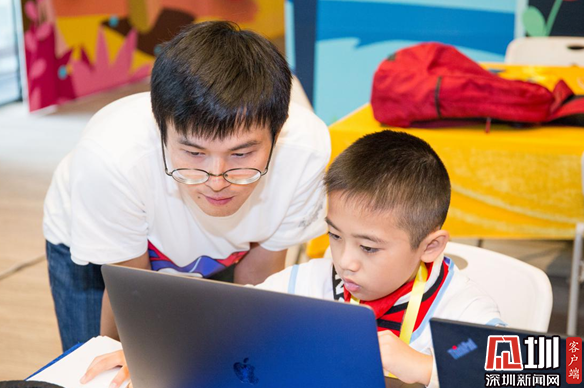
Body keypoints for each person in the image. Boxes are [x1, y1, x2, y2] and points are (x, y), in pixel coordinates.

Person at [80, 130, 501, 388]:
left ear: (430, 247)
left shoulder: (462, 313)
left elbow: (539, 376)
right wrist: (159, 350)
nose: (345, 261)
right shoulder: (308, 284)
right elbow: (228, 323)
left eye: (369, 248)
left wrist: (424, 368)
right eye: (335, 236)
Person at [43, 21, 330, 352]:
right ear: (161, 130)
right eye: (194, 153)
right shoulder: (112, 160)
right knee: (93, 360)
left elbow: (259, 279)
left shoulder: (305, 152)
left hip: (228, 251)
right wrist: (118, 359)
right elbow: (131, 294)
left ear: (277, 136)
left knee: (220, 351)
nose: (217, 180)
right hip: (104, 245)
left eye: (241, 154)